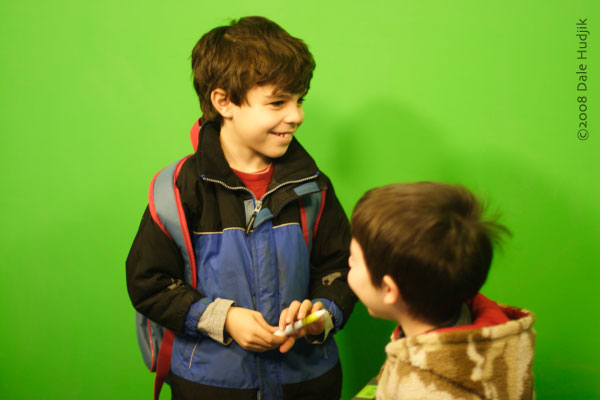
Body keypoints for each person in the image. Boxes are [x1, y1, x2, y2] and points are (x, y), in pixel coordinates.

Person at [126, 16, 356, 400]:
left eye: (299, 101)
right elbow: (149, 284)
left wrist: (319, 316)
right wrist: (225, 318)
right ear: (224, 101)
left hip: (308, 383)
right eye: (278, 102)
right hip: (210, 387)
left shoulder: (315, 187)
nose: (296, 115)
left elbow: (342, 268)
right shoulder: (176, 191)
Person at [348, 182, 535, 400]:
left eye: (355, 259)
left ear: (389, 289)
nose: (348, 261)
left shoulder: (423, 391)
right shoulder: (474, 323)